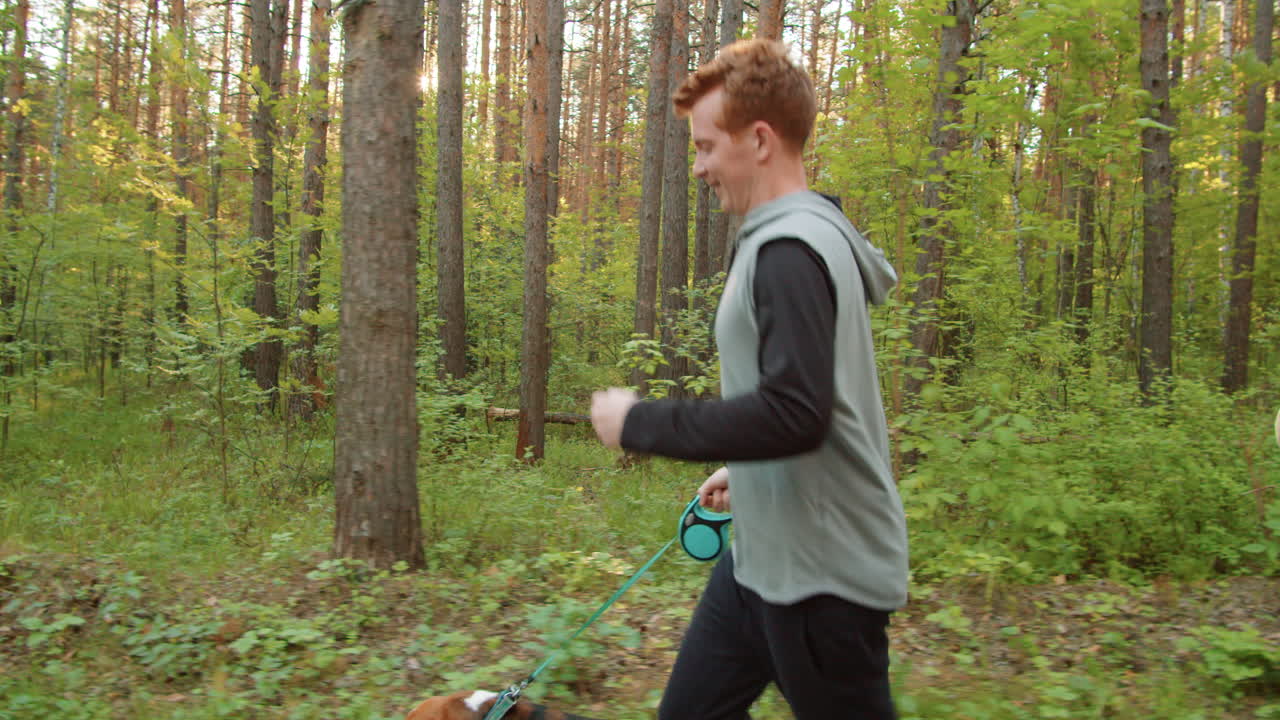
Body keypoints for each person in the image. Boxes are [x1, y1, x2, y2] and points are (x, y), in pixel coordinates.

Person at [590, 39, 908, 720]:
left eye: (707, 146)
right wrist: (747, 469)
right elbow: (811, 397)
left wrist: (639, 423)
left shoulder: (791, 248)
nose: (700, 168)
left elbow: (796, 411)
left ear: (759, 140)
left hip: (823, 580)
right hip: (761, 560)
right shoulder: (800, 233)